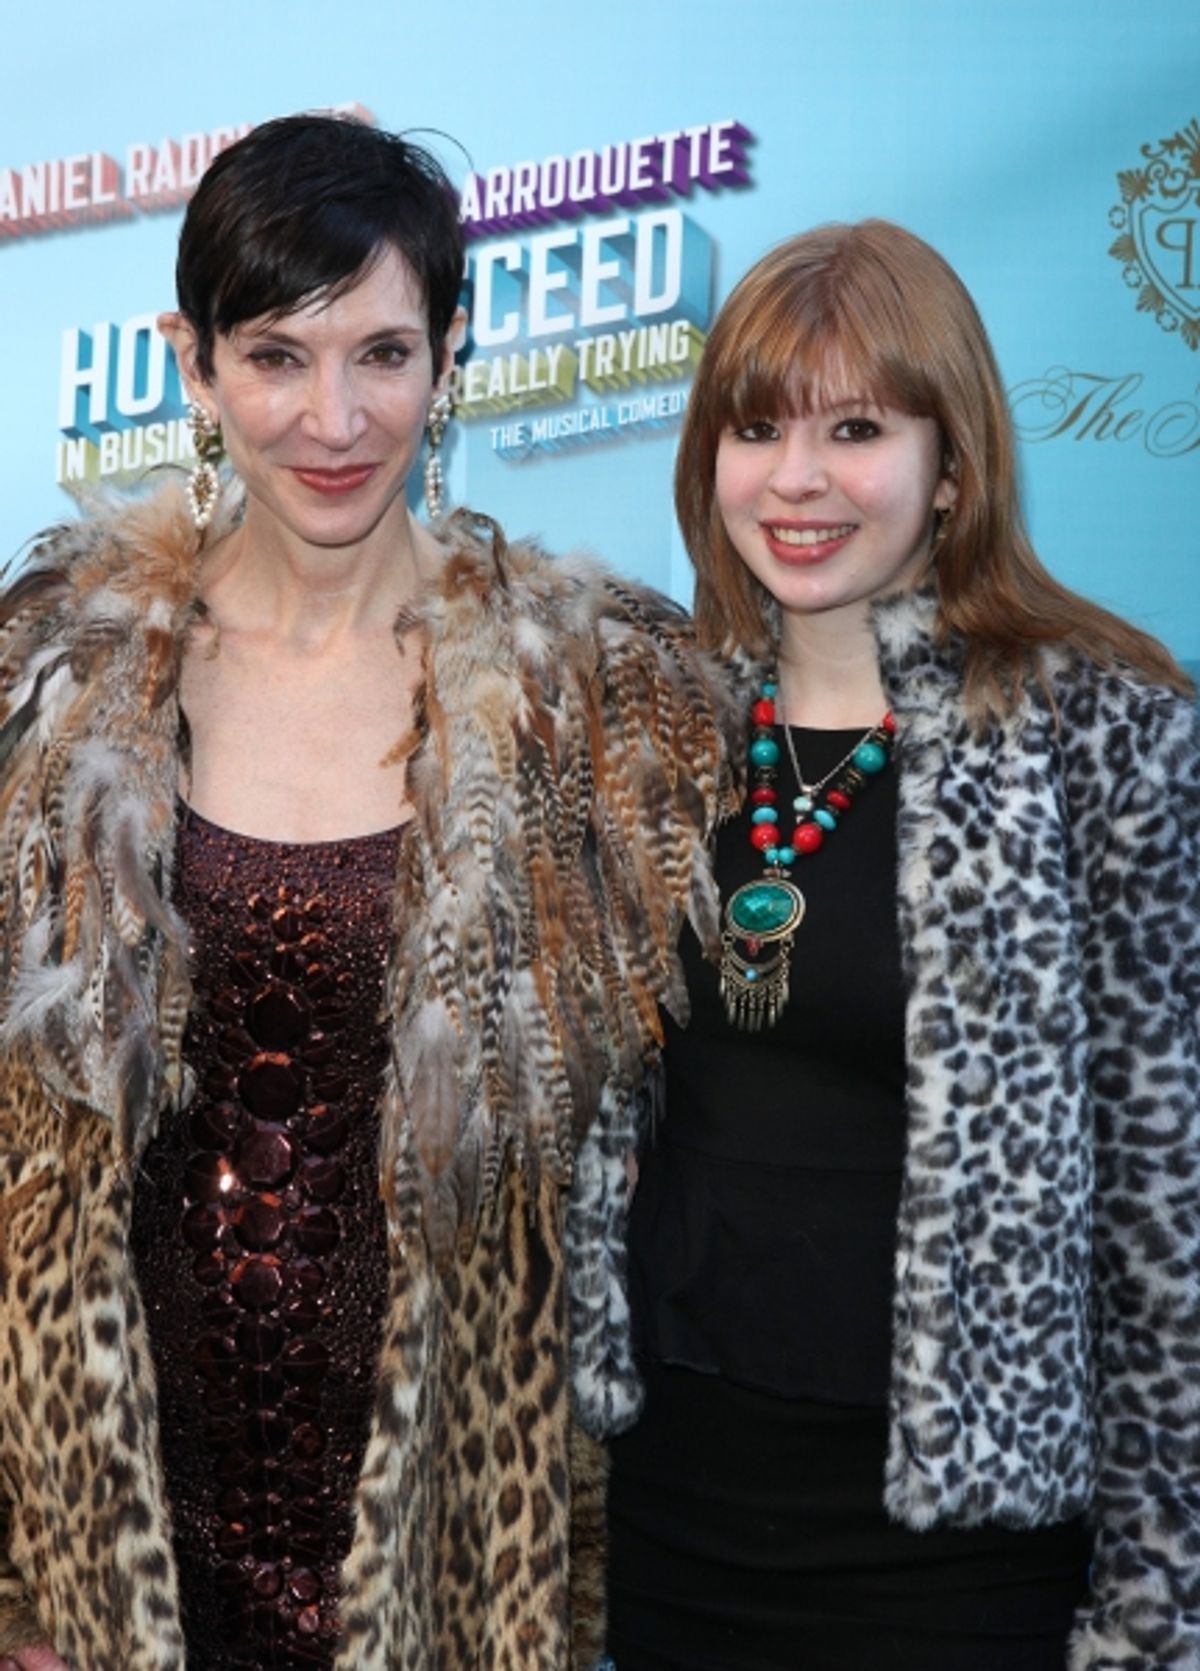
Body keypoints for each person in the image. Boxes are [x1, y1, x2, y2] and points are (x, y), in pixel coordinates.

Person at [0, 114, 735, 1671]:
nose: (333, 420)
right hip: (109, 1567)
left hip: (457, 1556)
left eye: (383, 354)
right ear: (192, 367)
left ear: (452, 356)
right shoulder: (48, 691)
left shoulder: (594, 706)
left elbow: (682, 1165)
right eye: (276, 356)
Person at [605, 220, 1200, 1670]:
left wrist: (1154, 1611)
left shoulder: (1104, 742)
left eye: (856, 430)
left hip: (963, 1563)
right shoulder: (646, 734)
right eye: (757, 429)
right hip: (671, 1520)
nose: (796, 479)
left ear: (953, 465)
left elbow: (1169, 1218)